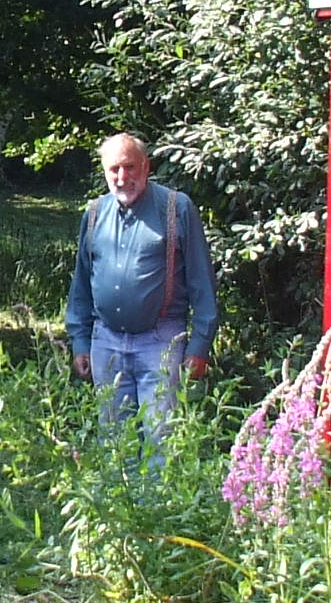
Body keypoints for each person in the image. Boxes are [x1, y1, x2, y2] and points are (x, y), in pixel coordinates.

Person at [64, 132, 220, 428]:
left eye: (130, 167)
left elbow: (202, 283)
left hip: (161, 340)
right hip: (105, 341)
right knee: (114, 443)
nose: (122, 177)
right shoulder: (95, 213)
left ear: (146, 167)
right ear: (105, 172)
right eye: (114, 169)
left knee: (160, 438)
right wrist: (80, 340)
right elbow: (82, 282)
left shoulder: (177, 208)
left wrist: (200, 346)